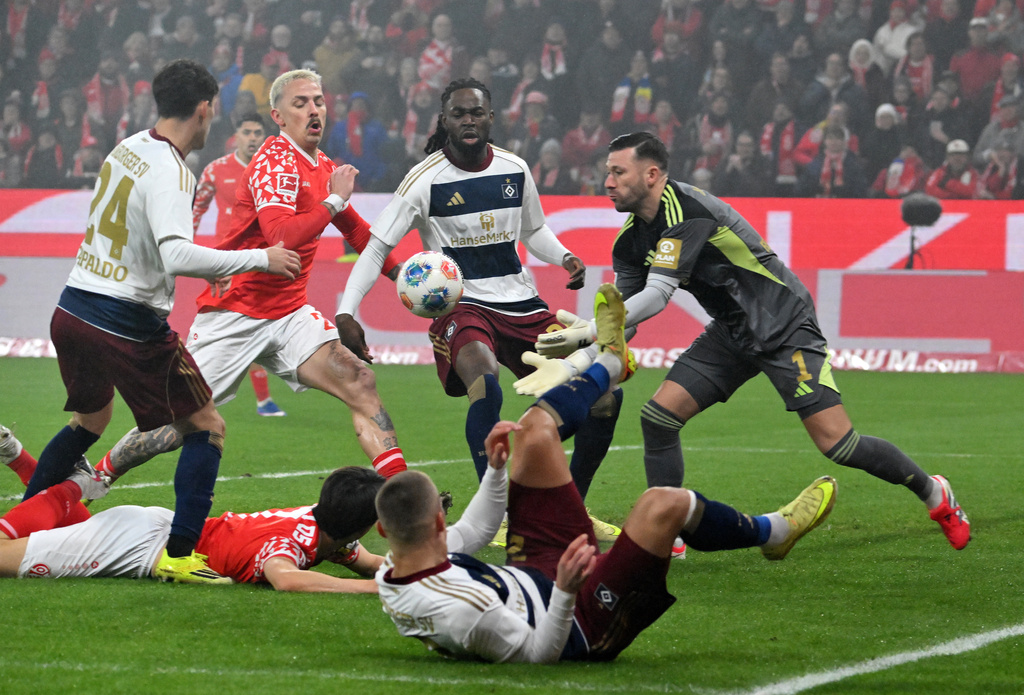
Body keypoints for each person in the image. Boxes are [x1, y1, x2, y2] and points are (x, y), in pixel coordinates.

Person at [530, 132, 971, 552]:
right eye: (607, 171)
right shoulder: (630, 241)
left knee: (839, 445)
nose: (607, 182)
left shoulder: (686, 210)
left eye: (618, 172)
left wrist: (590, 329)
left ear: (651, 175)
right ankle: (669, 533)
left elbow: (657, 296)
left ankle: (935, 492)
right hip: (732, 331)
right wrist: (582, 353)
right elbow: (624, 321)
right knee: (660, 418)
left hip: (784, 325)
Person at [374, 284, 838, 663]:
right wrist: (565, 590)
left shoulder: (401, 564)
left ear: (387, 531)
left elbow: (477, 529)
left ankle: (611, 362)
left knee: (534, 432)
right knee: (664, 503)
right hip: (579, 620)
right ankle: (771, 533)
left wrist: (496, 471)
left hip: (534, 571)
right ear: (437, 521)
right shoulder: (462, 612)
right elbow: (541, 653)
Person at [20, 59, 303, 585]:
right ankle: (179, 554)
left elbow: (143, 237)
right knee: (207, 427)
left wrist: (201, 264)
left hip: (74, 306)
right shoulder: (174, 170)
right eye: (213, 111)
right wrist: (259, 259)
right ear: (203, 108)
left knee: (91, 421)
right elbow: (176, 253)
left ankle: (16, 527)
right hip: (125, 318)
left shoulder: (127, 146)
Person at [92, 69, 410, 493]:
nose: (313, 109)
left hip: (289, 312)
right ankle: (96, 476)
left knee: (358, 380)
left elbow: (357, 232)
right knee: (173, 427)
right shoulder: (276, 161)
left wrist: (406, 276)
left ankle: (404, 499)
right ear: (278, 116)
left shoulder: (322, 165)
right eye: (300, 103)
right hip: (235, 311)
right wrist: (334, 201)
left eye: (317, 100)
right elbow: (281, 237)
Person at [334, 78, 621, 541]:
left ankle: (573, 509)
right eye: (458, 114)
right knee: (485, 384)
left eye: (477, 113)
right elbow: (375, 248)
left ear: (491, 118)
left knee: (605, 398)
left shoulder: (515, 169)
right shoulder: (424, 180)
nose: (468, 120)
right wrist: (347, 311)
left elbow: (535, 231)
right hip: (461, 303)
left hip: (522, 302)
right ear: (444, 121)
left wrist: (562, 254)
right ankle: (500, 511)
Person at [0, 426, 384, 591]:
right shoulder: (292, 545)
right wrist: (373, 591)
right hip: (139, 547)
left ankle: (19, 458)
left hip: (157, 531)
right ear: (361, 526)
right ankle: (80, 483)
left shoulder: (327, 522)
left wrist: (434, 571)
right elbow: (287, 578)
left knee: (57, 533)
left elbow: (375, 564)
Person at [192, 112, 286, 418]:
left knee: (254, 326)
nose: (253, 137)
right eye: (247, 131)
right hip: (224, 264)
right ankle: (198, 389)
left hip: (262, 261)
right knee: (220, 327)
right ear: (236, 136)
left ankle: (256, 398)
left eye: (258, 132)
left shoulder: (274, 171)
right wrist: (187, 249)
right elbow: (195, 210)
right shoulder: (216, 170)